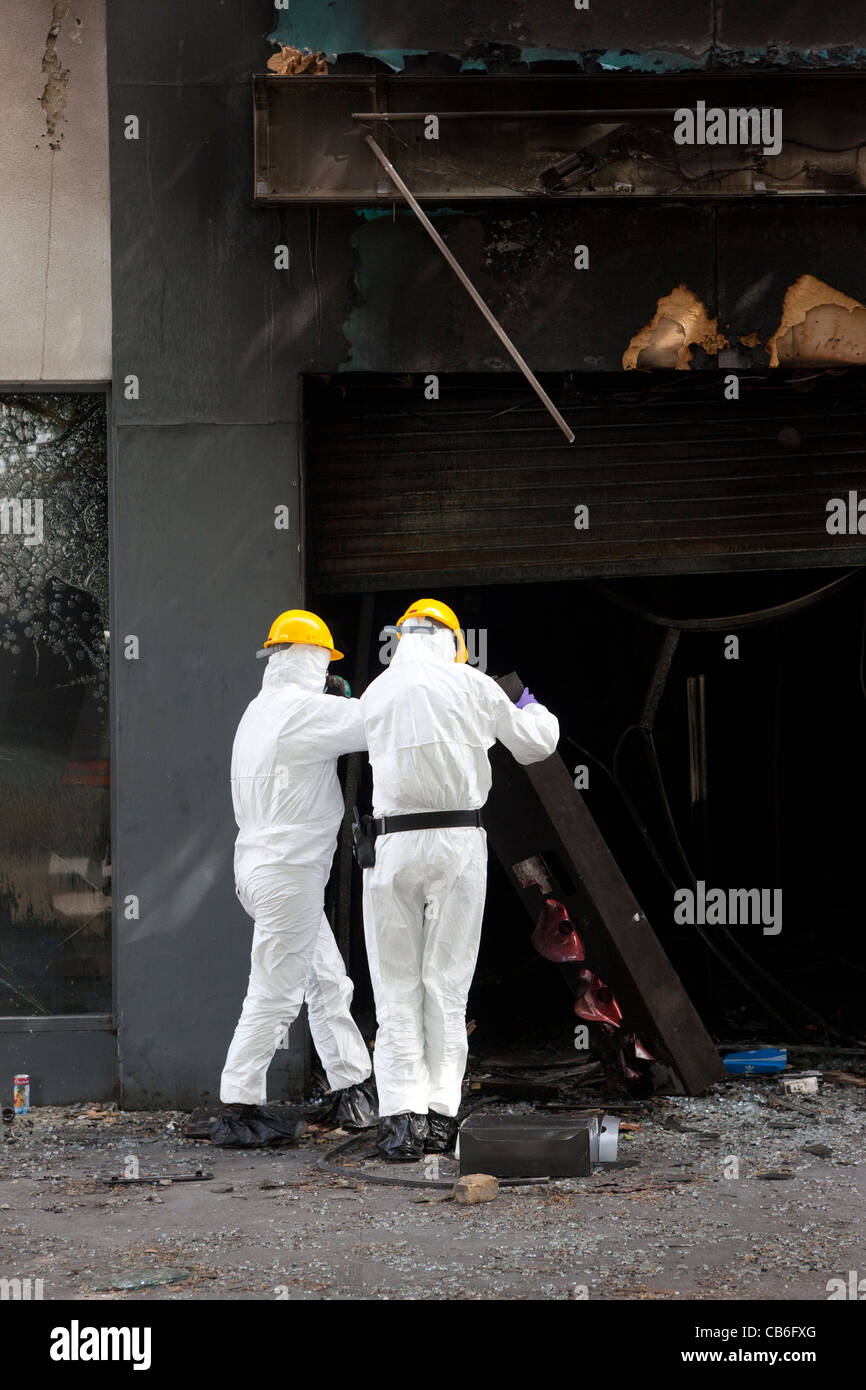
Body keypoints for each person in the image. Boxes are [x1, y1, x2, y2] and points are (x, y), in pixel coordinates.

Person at [359, 598, 559, 1160]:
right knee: (445, 985)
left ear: (402, 639)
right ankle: (442, 1119)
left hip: (392, 843)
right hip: (457, 843)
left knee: (395, 986)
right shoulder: (473, 685)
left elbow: (340, 735)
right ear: (452, 640)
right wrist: (531, 705)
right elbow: (535, 743)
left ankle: (400, 1120)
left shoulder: (379, 690)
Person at [213, 609, 376, 1147]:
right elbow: (377, 723)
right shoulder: (306, 712)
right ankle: (237, 1107)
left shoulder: (258, 711)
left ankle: (350, 1088)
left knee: (326, 980)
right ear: (315, 660)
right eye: (326, 662)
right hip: (287, 878)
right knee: (276, 993)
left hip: (260, 871)